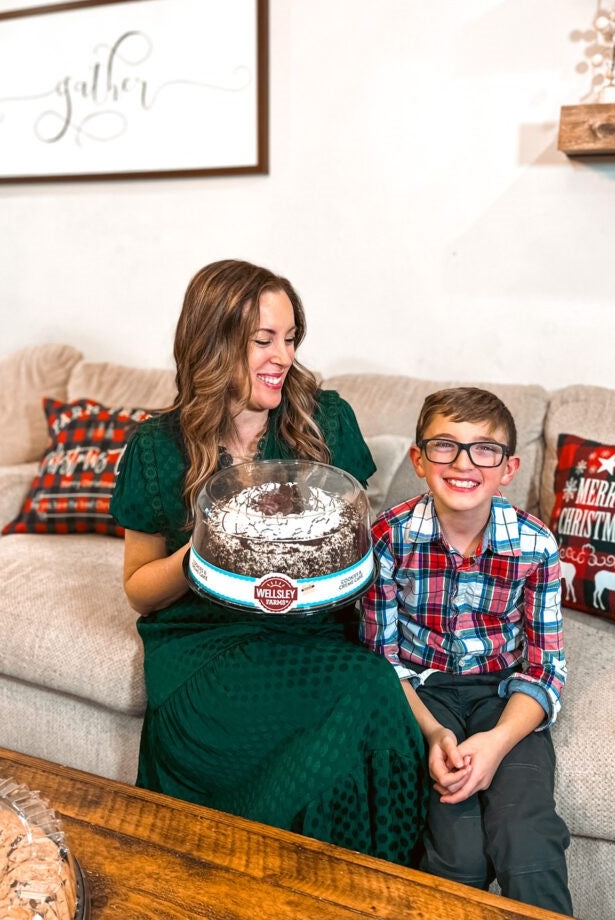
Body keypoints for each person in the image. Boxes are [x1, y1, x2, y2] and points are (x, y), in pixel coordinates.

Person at [110, 258, 428, 864]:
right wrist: (208, 545)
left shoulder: (325, 418)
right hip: (209, 647)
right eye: (262, 341)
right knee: (360, 695)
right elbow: (140, 590)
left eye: (289, 338)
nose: (282, 356)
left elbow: (355, 547)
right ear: (212, 343)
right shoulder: (157, 446)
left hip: (314, 632)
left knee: (371, 695)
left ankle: (363, 888)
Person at [359, 386, 572, 915]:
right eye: (445, 446)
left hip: (504, 695)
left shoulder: (535, 545)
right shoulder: (387, 538)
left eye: (484, 450)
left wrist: (497, 743)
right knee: (458, 859)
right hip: (422, 695)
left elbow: (545, 668)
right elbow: (380, 661)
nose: (463, 463)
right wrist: (433, 732)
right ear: (419, 460)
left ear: (509, 469)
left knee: (526, 837)